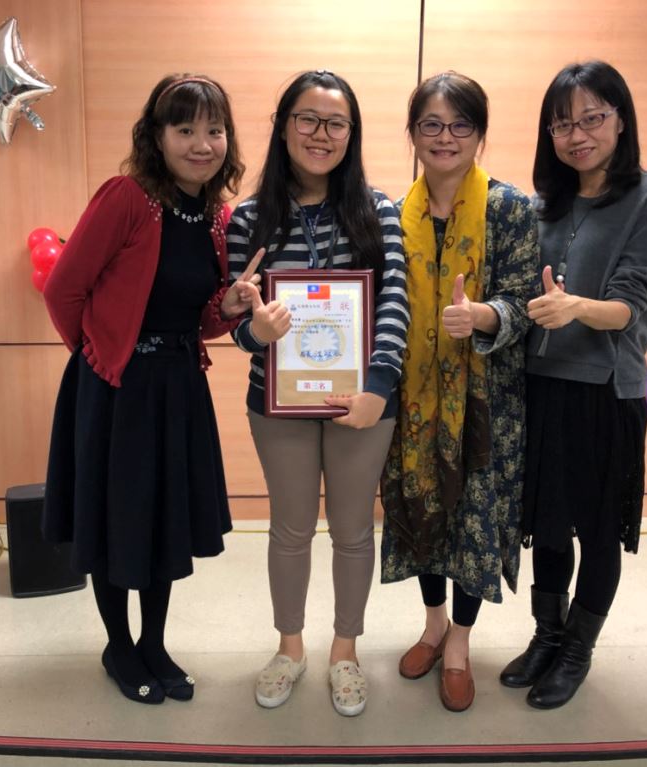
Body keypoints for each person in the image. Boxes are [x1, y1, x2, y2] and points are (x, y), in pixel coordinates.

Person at [41, 74, 257, 706]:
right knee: (116, 520)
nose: (201, 144)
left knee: (163, 520)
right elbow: (63, 289)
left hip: (178, 387)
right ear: (156, 137)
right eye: (185, 129)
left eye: (214, 130)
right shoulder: (128, 198)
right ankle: (119, 646)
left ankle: (154, 644)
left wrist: (229, 306)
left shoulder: (215, 218)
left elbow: (200, 319)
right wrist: (96, 356)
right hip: (115, 388)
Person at [500, 60, 647, 709]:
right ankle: (547, 635)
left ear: (620, 120)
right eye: (561, 124)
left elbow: (630, 305)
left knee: (599, 529)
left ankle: (577, 648)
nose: (577, 135)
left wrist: (575, 306)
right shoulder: (543, 204)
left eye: (591, 118)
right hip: (541, 383)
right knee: (548, 523)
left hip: (606, 391)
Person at [227, 69, 408, 717]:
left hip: (363, 402)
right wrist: (255, 329)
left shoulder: (378, 210)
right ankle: (290, 647)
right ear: (284, 127)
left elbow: (395, 300)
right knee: (290, 529)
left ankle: (345, 651)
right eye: (307, 119)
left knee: (355, 531)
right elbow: (235, 320)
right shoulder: (249, 218)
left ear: (351, 135)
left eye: (336, 123)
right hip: (278, 402)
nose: (320, 134)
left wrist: (379, 385)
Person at [379, 72, 539, 712]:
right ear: (413, 133)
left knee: (473, 520)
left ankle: (459, 644)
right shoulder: (395, 215)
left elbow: (526, 302)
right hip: (413, 399)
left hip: (485, 403)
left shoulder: (510, 209)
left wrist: (485, 316)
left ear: (479, 133)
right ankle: (432, 624)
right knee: (424, 509)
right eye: (431, 125)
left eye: (460, 125)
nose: (445, 137)